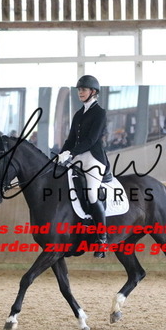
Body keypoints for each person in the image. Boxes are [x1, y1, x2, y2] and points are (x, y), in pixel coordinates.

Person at [57, 75, 110, 258]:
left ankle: (102, 240)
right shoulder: (79, 114)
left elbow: (91, 140)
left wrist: (71, 153)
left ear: (93, 92)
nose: (80, 92)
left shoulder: (100, 113)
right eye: (79, 90)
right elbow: (71, 139)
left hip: (94, 158)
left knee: (92, 194)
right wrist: (61, 154)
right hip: (78, 156)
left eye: (84, 89)